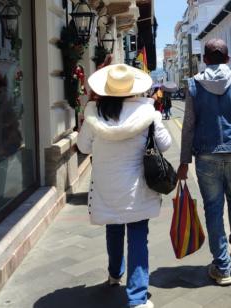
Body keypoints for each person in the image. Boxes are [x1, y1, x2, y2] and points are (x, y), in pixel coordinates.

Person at [77, 64, 172, 308]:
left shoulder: (94, 114)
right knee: (138, 237)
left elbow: (83, 147)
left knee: (114, 227)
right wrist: (157, 121)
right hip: (137, 188)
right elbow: (166, 144)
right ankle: (137, 299)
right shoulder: (147, 113)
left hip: (106, 187)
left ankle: (114, 274)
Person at [177, 38, 231, 286]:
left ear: (204, 60)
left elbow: (188, 127)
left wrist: (184, 161)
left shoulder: (194, 85)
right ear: (228, 59)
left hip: (206, 157)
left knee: (213, 208)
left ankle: (222, 267)